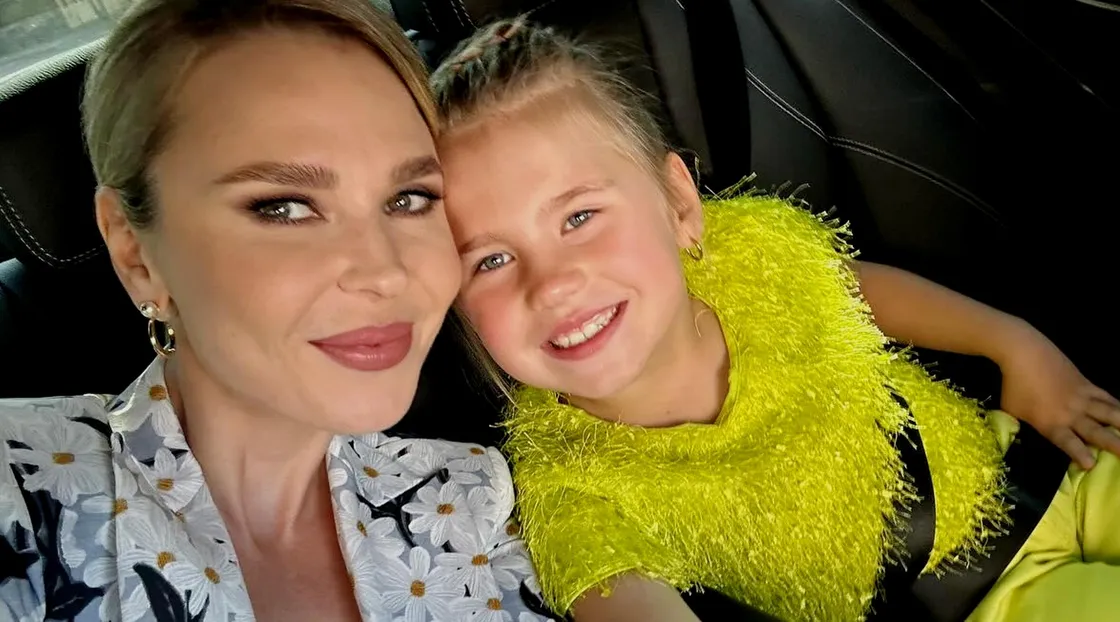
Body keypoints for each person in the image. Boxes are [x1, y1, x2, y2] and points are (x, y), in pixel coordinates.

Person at [429, 17, 1120, 622]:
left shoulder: (739, 247)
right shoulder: (566, 487)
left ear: (679, 205)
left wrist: (1015, 346)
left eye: (579, 217)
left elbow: (854, 287)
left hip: (1039, 462)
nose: (553, 282)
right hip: (989, 602)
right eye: (490, 260)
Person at [0, 2, 554, 621]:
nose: (386, 271)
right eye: (283, 207)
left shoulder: (467, 498)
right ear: (136, 253)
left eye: (409, 198)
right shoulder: (21, 489)